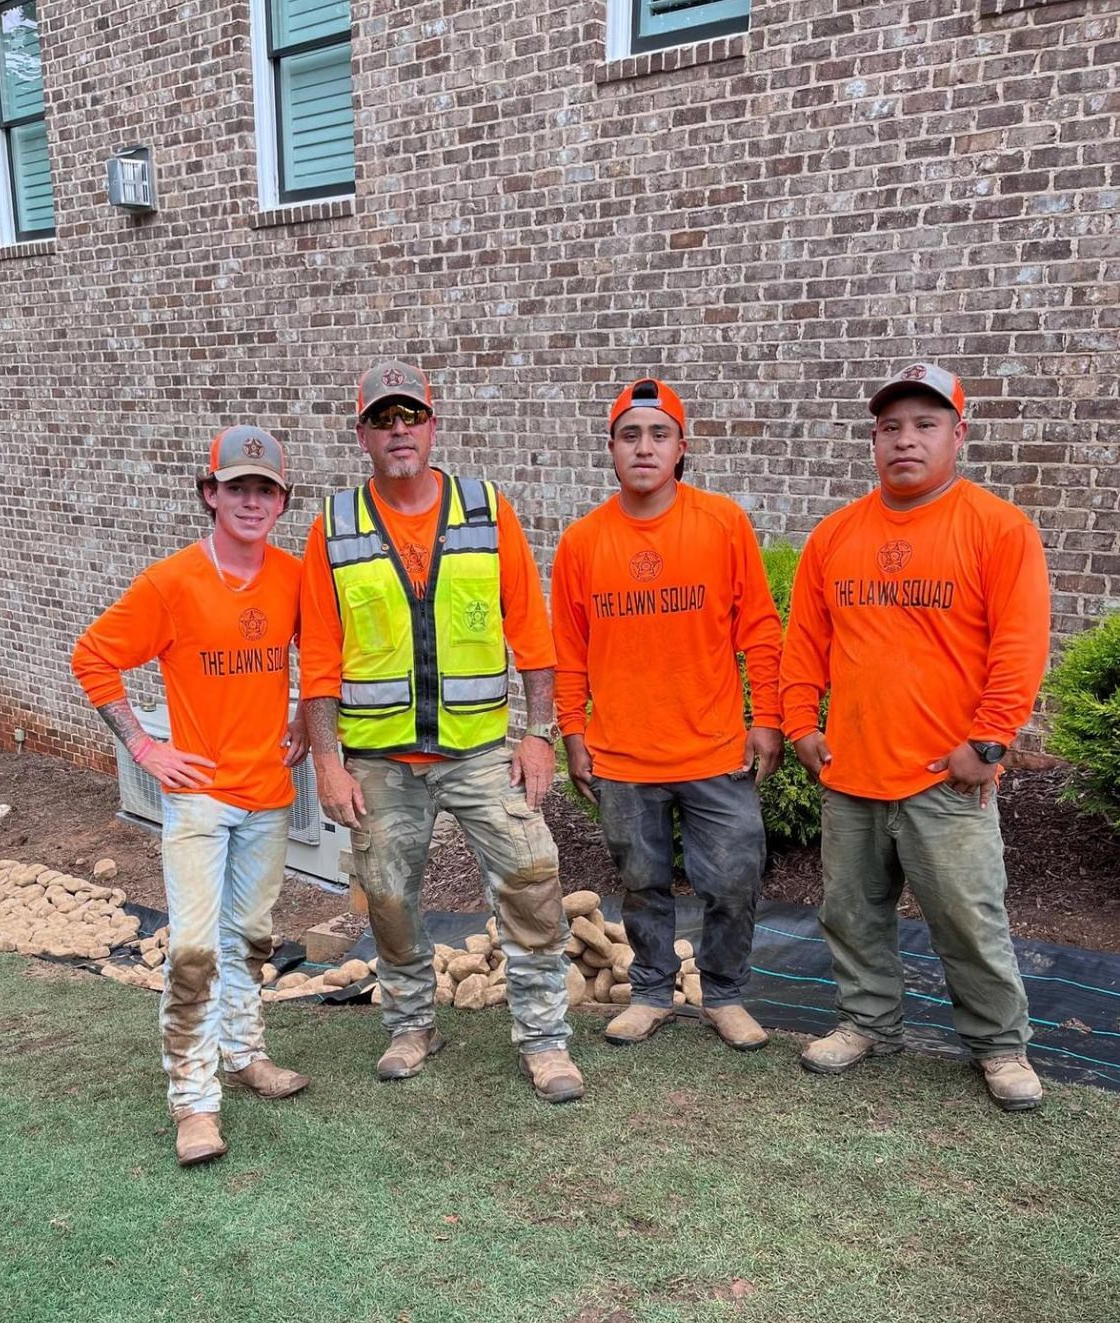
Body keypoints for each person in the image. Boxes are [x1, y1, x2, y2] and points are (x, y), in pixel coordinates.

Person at [299, 360, 582, 1103]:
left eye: (411, 417)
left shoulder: (487, 510)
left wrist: (540, 732)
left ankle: (546, 1039)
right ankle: (412, 1021)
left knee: (530, 878)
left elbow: (532, 629)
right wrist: (327, 761)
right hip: (382, 759)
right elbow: (320, 657)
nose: (400, 431)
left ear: (433, 424)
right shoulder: (333, 527)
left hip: (483, 747)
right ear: (362, 434)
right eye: (383, 420)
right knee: (389, 897)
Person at [780, 363, 1052, 1111]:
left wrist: (989, 742)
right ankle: (868, 1022)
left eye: (925, 424)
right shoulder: (836, 535)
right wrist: (801, 721)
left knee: (968, 917)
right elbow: (805, 642)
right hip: (853, 773)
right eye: (891, 427)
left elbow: (1020, 645)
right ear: (874, 440)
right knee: (851, 911)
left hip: (947, 776)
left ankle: (999, 1044)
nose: (906, 440)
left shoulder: (997, 528)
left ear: (957, 434)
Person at [72, 425, 310, 1167]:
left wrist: (304, 711)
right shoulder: (170, 583)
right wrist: (143, 746)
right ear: (210, 495)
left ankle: (244, 1053)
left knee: (250, 938)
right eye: (236, 486)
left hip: (269, 792)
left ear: (281, 502)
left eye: (264, 488)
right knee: (197, 949)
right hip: (201, 798)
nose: (250, 500)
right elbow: (93, 657)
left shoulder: (294, 576)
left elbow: (325, 656)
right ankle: (194, 1103)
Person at [552, 378, 784, 1051]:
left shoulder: (721, 524)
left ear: (683, 447)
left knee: (734, 877)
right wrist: (573, 733)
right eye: (630, 434)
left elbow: (760, 630)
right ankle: (652, 990)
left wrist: (764, 716)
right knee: (641, 882)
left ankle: (726, 992)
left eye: (659, 434)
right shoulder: (583, 542)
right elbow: (568, 651)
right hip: (622, 754)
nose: (644, 447)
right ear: (611, 449)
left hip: (713, 750)